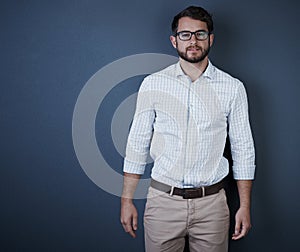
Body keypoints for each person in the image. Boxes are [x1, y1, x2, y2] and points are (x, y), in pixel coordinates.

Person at [120, 5, 255, 252]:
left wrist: (244, 206)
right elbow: (137, 143)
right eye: (185, 34)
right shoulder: (153, 84)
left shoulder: (233, 88)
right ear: (174, 41)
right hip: (163, 203)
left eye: (200, 34)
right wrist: (126, 200)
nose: (193, 40)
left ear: (210, 39)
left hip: (212, 206)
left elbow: (243, 149)